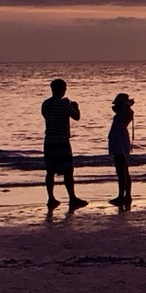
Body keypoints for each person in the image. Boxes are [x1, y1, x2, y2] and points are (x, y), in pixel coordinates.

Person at [41, 78, 85, 210]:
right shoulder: (64, 104)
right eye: (64, 88)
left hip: (49, 142)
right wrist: (76, 107)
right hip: (62, 142)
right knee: (68, 171)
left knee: (50, 171)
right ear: (61, 89)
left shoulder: (46, 104)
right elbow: (76, 117)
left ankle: (51, 198)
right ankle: (72, 197)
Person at [107, 93, 134, 208]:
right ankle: (126, 196)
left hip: (121, 145)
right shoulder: (122, 115)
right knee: (123, 171)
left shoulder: (126, 114)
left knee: (121, 172)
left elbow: (129, 110)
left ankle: (122, 196)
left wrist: (125, 105)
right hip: (119, 144)